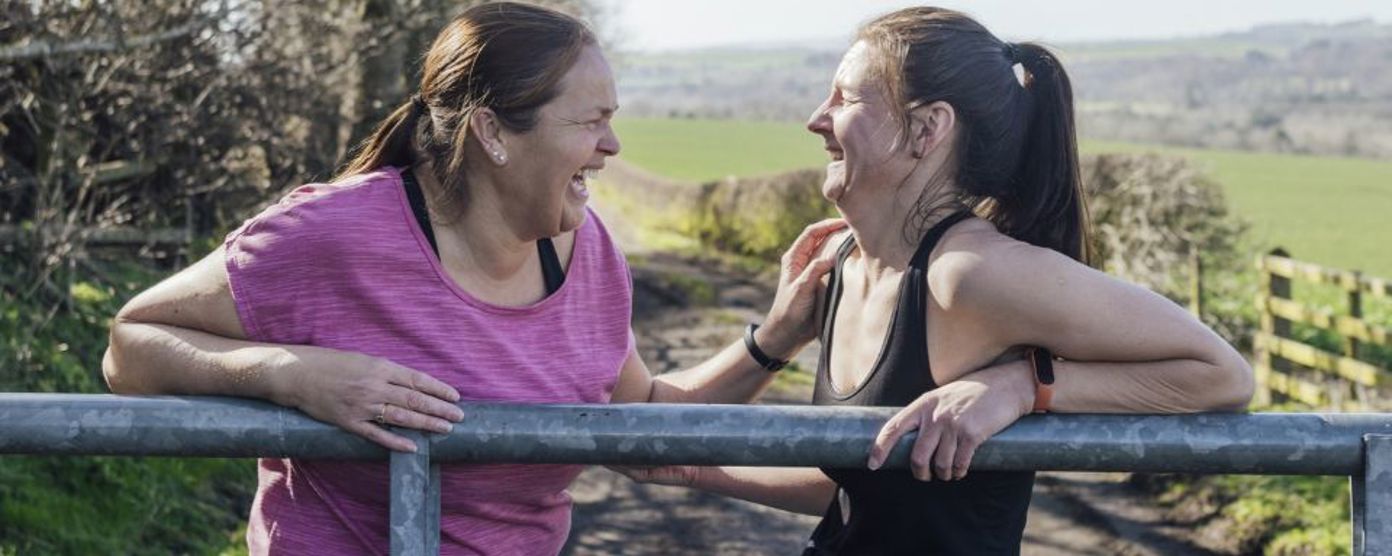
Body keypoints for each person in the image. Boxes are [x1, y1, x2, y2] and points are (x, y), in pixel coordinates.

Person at [101, 3, 844, 554]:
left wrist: (777, 335)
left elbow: (638, 423)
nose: (613, 145)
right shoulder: (333, 235)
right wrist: (287, 372)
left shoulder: (588, 252)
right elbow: (130, 344)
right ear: (493, 132)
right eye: (591, 122)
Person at [610, 7, 1254, 555]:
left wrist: (1026, 385)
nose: (816, 118)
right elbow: (865, 482)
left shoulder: (973, 274)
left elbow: (1222, 375)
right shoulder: (842, 263)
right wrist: (703, 465)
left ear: (926, 129)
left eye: (845, 98)